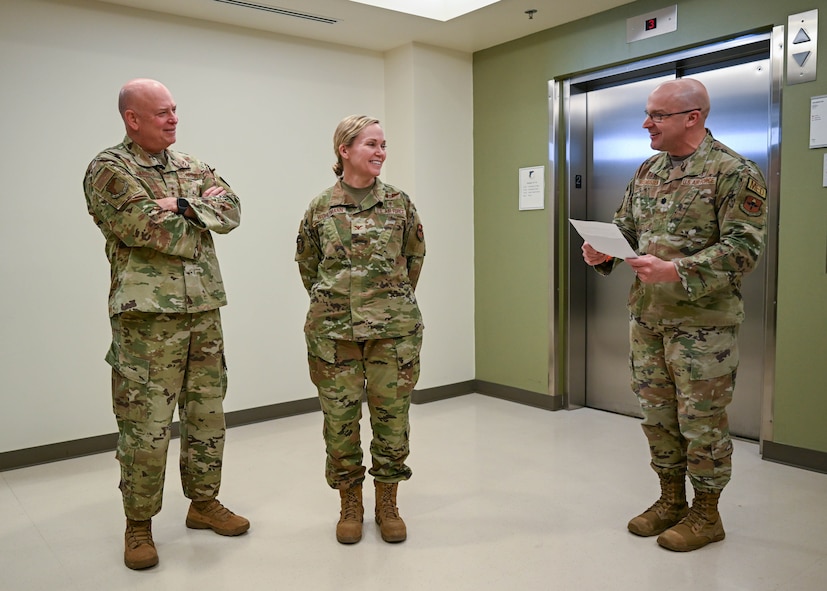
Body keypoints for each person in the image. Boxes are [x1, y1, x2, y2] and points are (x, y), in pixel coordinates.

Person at [581, 78, 767, 552]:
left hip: (704, 329)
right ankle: (670, 501)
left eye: (657, 115)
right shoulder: (648, 170)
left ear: (693, 117)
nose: (647, 123)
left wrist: (677, 270)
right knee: (658, 417)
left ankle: (707, 515)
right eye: (648, 114)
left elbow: (744, 250)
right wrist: (603, 251)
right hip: (647, 320)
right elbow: (626, 225)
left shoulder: (734, 172)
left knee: (702, 423)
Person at [83, 78, 249, 570]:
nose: (173, 119)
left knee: (207, 417)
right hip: (147, 323)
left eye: (174, 110)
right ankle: (138, 525)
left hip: (203, 312)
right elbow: (143, 227)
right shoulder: (109, 169)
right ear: (132, 119)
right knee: (145, 428)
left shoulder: (192, 166)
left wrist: (180, 204)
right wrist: (197, 218)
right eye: (161, 113)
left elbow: (233, 210)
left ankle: (203, 503)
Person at [295, 115, 426, 544]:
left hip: (393, 333)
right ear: (345, 150)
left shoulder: (400, 204)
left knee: (392, 420)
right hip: (334, 336)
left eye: (383, 144)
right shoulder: (319, 208)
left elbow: (414, 258)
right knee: (340, 422)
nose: (380, 152)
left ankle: (388, 501)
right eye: (371, 144)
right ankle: (350, 501)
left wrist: (387, 303)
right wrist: (339, 304)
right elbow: (308, 266)